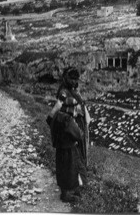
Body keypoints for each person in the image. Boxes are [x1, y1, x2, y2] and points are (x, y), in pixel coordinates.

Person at [46, 67, 91, 202]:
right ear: (66, 78)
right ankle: (67, 191)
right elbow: (59, 106)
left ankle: (76, 185)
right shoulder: (64, 93)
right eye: (71, 78)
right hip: (68, 129)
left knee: (76, 159)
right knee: (68, 161)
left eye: (75, 79)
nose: (74, 81)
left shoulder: (72, 91)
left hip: (75, 126)